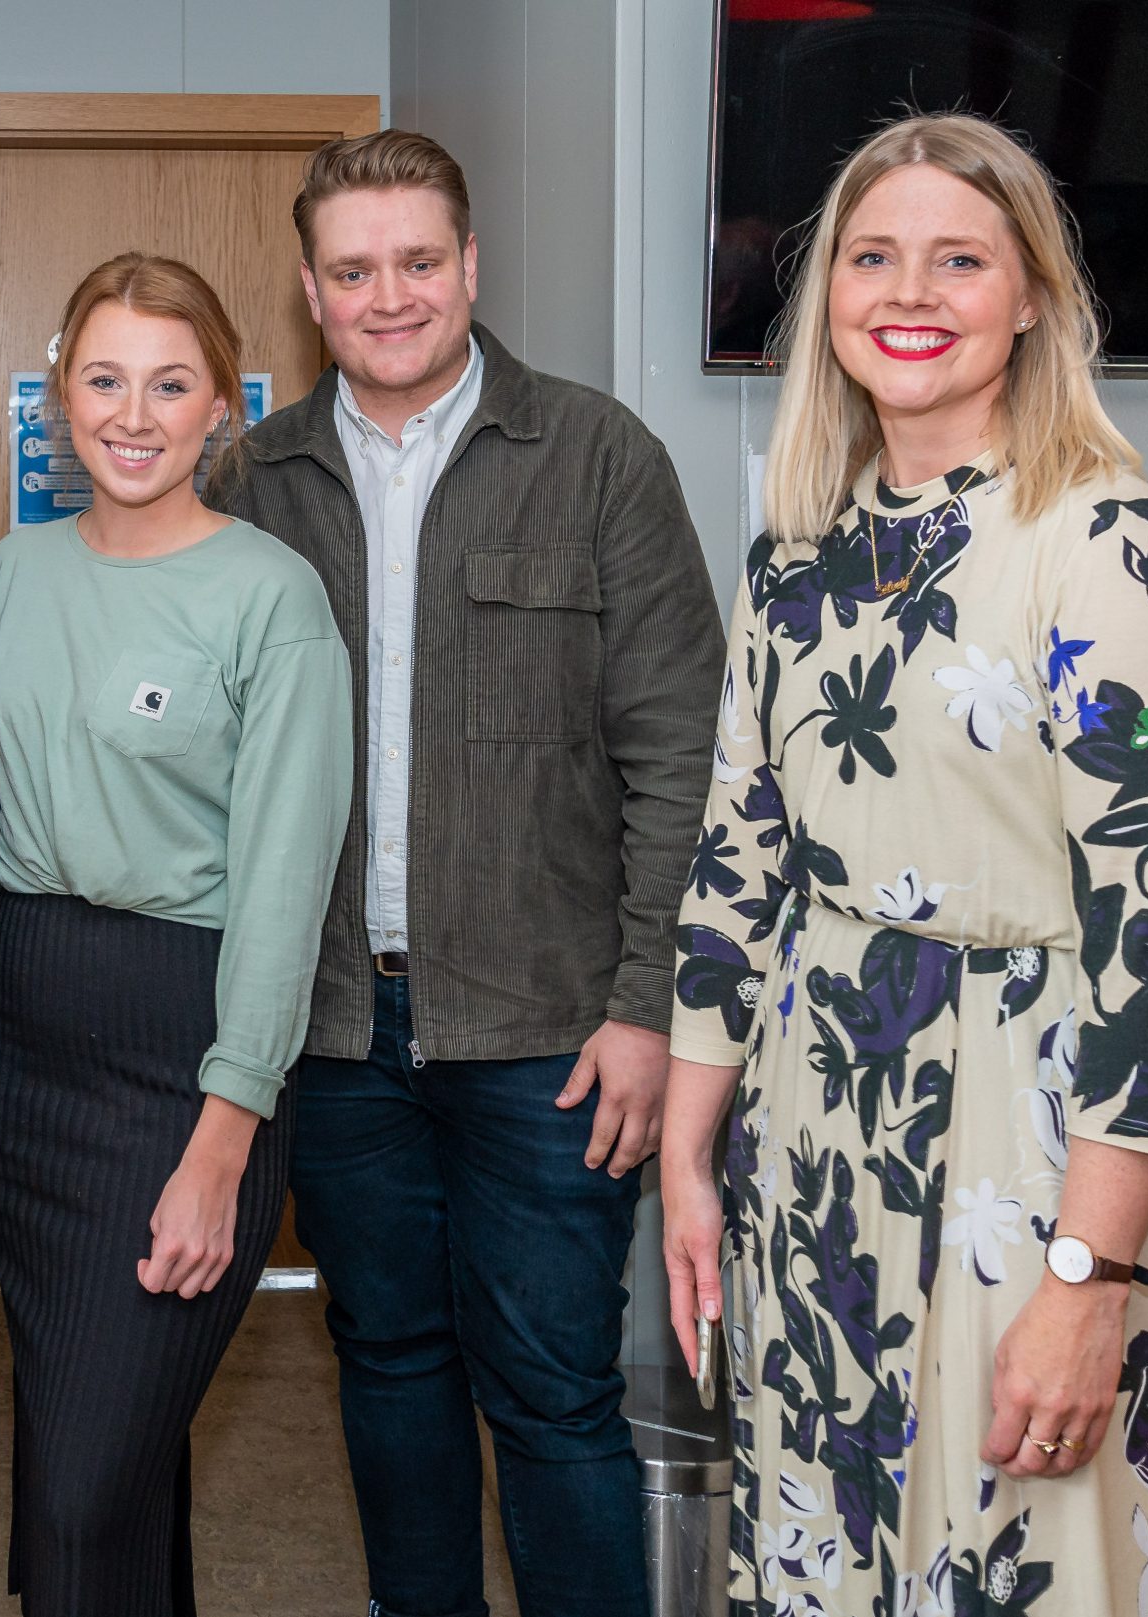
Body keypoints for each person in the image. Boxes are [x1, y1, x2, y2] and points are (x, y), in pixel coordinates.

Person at [660, 113, 1148, 1614]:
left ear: (1034, 299)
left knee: (1027, 1555)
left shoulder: (1109, 543)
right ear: (828, 293)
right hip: (812, 1133)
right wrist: (687, 1160)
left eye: (959, 259)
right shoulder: (792, 553)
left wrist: (1088, 1284)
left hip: (1031, 1145)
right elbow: (738, 866)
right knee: (828, 1546)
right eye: (872, 256)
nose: (909, 292)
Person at [216, 129, 724, 1617]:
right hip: (332, 1033)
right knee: (385, 1362)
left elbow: (682, 758)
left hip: (552, 1037)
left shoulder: (599, 458)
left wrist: (647, 1005)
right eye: (354, 271)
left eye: (419, 262)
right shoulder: (253, 480)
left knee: (555, 1392)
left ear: (471, 265)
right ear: (311, 287)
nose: (390, 297)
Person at [0, 252, 353, 1617]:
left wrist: (223, 1147)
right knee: (99, 1469)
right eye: (105, 380)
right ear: (61, 396)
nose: (133, 414)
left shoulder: (272, 598)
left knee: (80, 1491)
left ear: (222, 405)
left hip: (186, 1059)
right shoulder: (12, 574)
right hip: (24, 1047)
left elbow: (285, 890)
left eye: (170, 385)